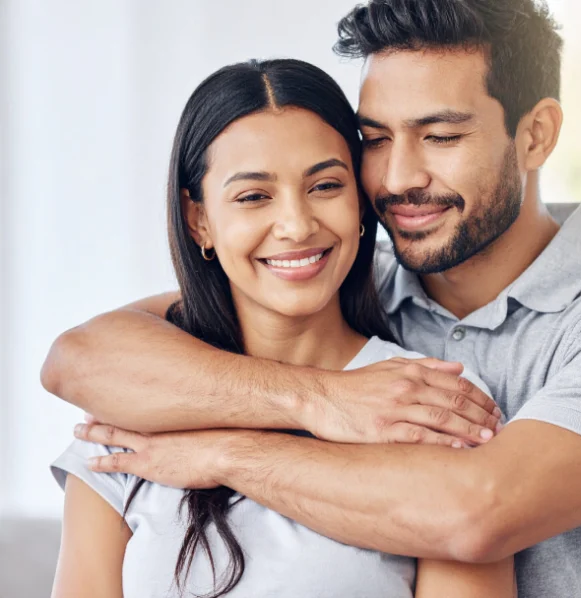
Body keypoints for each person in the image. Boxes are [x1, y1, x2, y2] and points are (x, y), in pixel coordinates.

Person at [43, 0, 581, 596]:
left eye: (441, 136)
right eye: (375, 140)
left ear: (536, 134)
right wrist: (319, 400)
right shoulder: (345, 280)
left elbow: (473, 516)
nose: (398, 178)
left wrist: (223, 454)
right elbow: (80, 361)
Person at [48, 58, 515, 598]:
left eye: (324, 186)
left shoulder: (432, 404)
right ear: (199, 219)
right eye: (253, 196)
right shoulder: (131, 404)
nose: (296, 225)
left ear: (360, 201)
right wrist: (321, 401)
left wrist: (221, 453)